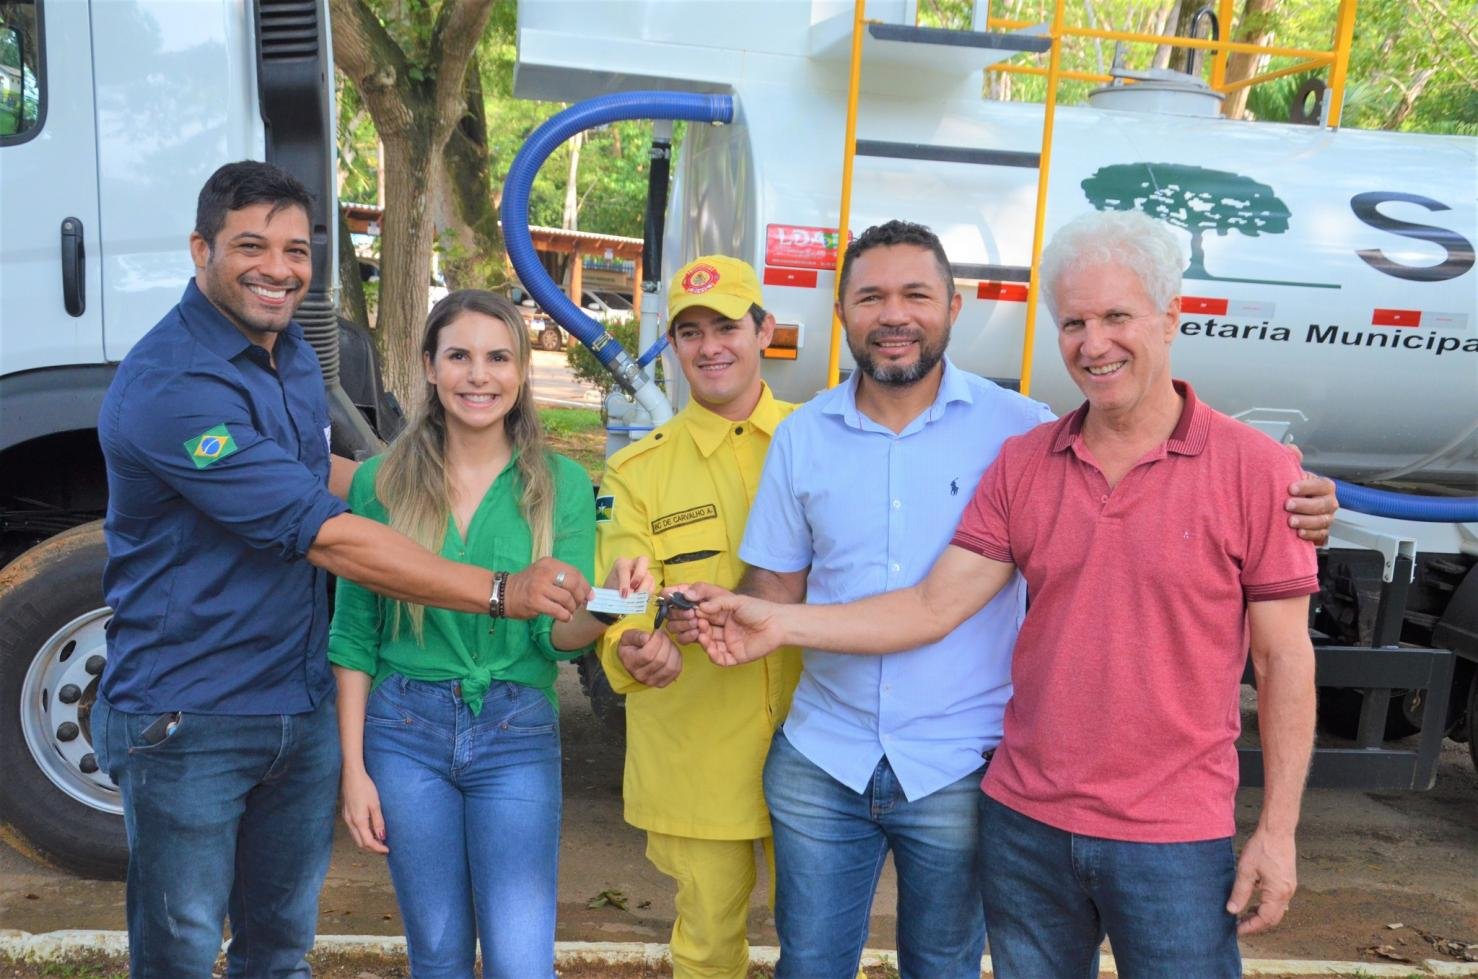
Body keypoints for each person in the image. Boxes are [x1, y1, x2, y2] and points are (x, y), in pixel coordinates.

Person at [671, 219, 1337, 979]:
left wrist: (1279, 829)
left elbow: (1284, 658)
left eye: (1117, 316)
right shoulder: (1027, 460)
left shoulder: (1230, 466)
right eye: (1075, 323)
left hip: (1143, 823)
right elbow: (931, 605)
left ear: (1170, 318)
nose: (1094, 343)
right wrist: (760, 618)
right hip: (1015, 814)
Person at [92, 161, 590, 979]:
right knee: (181, 951)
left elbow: (308, 471)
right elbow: (324, 534)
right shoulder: (173, 385)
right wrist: (500, 589)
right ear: (200, 249)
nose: (279, 268)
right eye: (251, 246)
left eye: (296, 249)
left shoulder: (285, 351)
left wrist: (424, 486)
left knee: (280, 949)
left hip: (296, 703)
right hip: (190, 715)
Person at [329, 290, 636, 978]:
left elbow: (558, 639)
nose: (478, 375)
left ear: (521, 371)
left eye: (498, 358)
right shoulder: (379, 483)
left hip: (515, 728)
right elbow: (353, 636)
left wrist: (610, 603)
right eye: (459, 356)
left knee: (520, 963)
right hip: (403, 732)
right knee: (437, 955)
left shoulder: (561, 484)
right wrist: (353, 770)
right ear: (429, 367)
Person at [592, 256, 804, 979]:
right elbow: (619, 599)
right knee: (708, 945)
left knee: (820, 942)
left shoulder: (820, 440)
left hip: (818, 744)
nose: (709, 346)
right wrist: (635, 644)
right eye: (690, 332)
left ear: (764, 331)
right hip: (698, 750)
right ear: (674, 346)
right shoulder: (637, 471)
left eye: (726, 326)